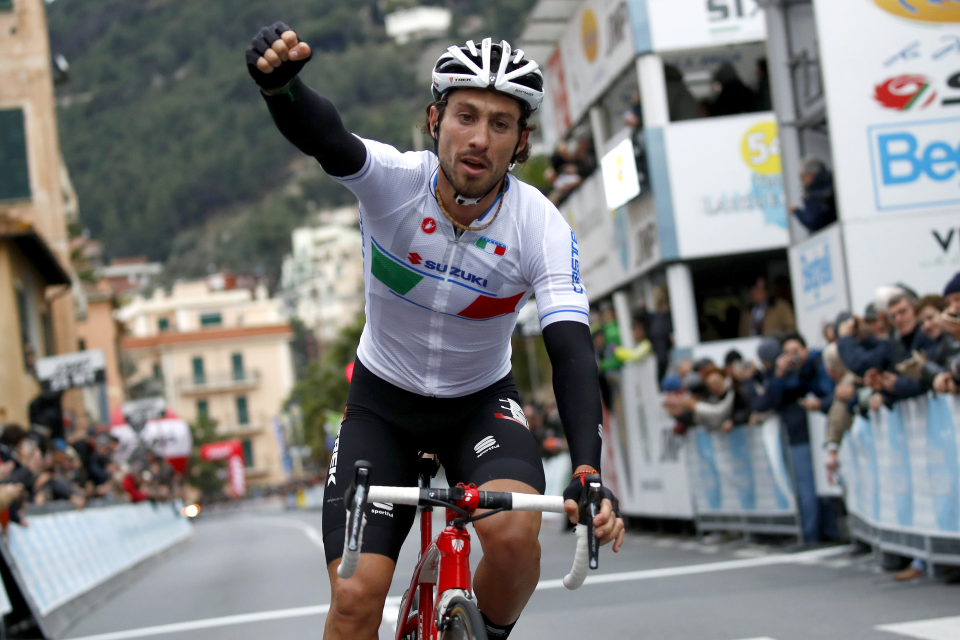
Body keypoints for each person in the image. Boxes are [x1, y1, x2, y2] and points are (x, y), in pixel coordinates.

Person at [247, 26, 624, 640]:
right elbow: (327, 138)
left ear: (522, 142)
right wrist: (281, 89)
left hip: (478, 406)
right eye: (466, 116)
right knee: (354, 598)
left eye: (501, 124)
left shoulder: (540, 226)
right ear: (434, 120)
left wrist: (588, 469)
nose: (479, 138)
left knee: (513, 536)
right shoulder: (394, 183)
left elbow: (571, 351)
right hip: (382, 406)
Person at [752, 334, 834, 544]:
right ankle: (807, 533)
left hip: (812, 434)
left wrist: (803, 363)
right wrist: (779, 373)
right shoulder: (780, 374)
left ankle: (813, 534)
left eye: (796, 351)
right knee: (800, 485)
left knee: (809, 486)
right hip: (795, 434)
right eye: (787, 353)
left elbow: (818, 389)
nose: (792, 357)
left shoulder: (813, 365)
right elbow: (768, 401)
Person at [791, 157, 836, 233]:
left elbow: (812, 221)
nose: (801, 181)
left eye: (802, 176)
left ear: (810, 175)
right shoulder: (834, 182)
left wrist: (796, 211)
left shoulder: (814, 193)